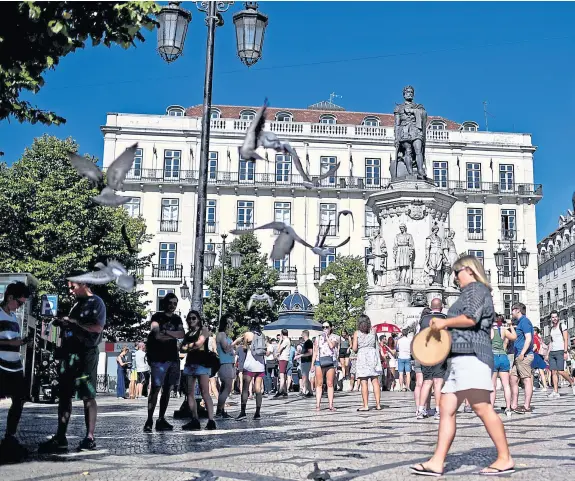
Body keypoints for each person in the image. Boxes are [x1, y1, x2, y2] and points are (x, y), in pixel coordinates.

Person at [410, 255, 514, 476]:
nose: (455, 278)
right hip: (459, 357)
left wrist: (445, 322)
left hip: (473, 355)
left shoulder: (477, 290)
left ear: (469, 270)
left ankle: (505, 457)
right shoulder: (467, 293)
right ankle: (437, 461)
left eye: (457, 273)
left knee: (482, 407)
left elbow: (471, 318)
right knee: (446, 409)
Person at [39, 274, 106, 453]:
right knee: (64, 395)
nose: (69, 291)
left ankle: (90, 437)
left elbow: (97, 328)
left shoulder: (96, 302)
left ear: (83, 284)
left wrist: (73, 323)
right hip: (70, 354)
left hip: (86, 354)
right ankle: (61, 437)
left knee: (88, 396)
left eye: (72, 287)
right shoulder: (76, 304)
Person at [143, 293, 185, 433]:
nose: (173, 306)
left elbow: (181, 334)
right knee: (155, 389)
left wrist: (166, 332)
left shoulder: (177, 318)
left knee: (168, 389)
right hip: (158, 358)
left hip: (173, 358)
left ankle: (161, 419)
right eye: (170, 303)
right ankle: (149, 419)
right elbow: (156, 335)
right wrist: (171, 334)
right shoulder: (156, 317)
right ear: (165, 303)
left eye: (175, 303)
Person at [0, 281, 32, 460]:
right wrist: (9, 343)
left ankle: (9, 436)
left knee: (19, 399)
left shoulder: (14, 318)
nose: (20, 307)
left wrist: (19, 342)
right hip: (1, 364)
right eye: (19, 303)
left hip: (14, 365)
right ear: (10, 297)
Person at [180, 310, 216, 431]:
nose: (191, 320)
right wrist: (191, 346)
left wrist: (189, 346)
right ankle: (195, 419)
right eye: (189, 318)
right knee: (189, 393)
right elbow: (182, 349)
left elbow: (199, 343)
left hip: (202, 364)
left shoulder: (203, 330)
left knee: (205, 392)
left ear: (198, 319)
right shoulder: (188, 333)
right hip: (190, 364)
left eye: (194, 318)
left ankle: (211, 420)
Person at [417, 300, 447, 420]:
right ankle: (439, 411)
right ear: (442, 307)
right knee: (438, 383)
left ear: (430, 307)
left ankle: (420, 410)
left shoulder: (423, 319)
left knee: (427, 382)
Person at [232, 319, 266, 420]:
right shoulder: (262, 335)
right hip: (260, 365)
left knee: (246, 388)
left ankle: (243, 412)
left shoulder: (248, 334)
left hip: (250, 365)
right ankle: (257, 413)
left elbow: (244, 348)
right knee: (258, 389)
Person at [352, 315, 382, 411]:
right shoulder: (373, 331)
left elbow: (354, 348)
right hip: (372, 355)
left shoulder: (357, 333)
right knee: (375, 380)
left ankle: (365, 405)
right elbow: (376, 344)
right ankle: (378, 404)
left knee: (364, 381)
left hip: (362, 356)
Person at [509, 303, 534, 414]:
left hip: (524, 355)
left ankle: (527, 406)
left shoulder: (525, 321)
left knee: (526, 379)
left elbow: (528, 339)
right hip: (517, 356)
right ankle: (514, 405)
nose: (511, 312)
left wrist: (522, 353)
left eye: (512, 310)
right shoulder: (519, 323)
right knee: (513, 378)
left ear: (518, 310)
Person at [491, 315, 516, 417]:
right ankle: (508, 409)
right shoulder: (504, 329)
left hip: (493, 357)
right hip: (503, 357)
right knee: (506, 385)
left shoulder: (489, 330)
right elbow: (514, 337)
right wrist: (511, 326)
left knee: (492, 386)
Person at [311, 321, 339, 412]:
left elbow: (331, 346)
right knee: (319, 384)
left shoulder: (334, 337)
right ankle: (318, 405)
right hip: (319, 361)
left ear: (331, 328)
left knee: (330, 384)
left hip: (330, 361)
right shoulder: (318, 338)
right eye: (323, 327)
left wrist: (327, 336)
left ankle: (331, 404)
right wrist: (312, 364)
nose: (325, 329)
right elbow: (315, 352)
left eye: (327, 327)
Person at [546, 310, 575, 398]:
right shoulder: (551, 329)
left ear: (558, 317)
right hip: (552, 352)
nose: (554, 319)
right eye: (552, 317)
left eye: (555, 317)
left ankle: (572, 382)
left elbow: (566, 339)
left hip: (560, 351)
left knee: (560, 371)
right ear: (551, 318)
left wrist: (565, 352)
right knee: (553, 372)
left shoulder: (562, 326)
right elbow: (551, 341)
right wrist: (547, 353)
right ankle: (555, 391)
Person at [215, 312, 236, 418]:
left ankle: (221, 410)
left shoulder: (225, 335)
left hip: (229, 363)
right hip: (224, 363)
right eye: (229, 323)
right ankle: (219, 411)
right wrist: (236, 342)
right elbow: (226, 348)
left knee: (224, 388)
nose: (231, 326)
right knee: (227, 388)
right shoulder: (221, 335)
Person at [295, 330, 313, 397]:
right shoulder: (305, 343)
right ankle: (310, 391)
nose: (301, 335)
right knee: (305, 377)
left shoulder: (308, 342)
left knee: (304, 376)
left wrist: (300, 355)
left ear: (304, 334)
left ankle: (304, 391)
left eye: (302, 334)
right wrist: (300, 354)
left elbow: (310, 352)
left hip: (307, 362)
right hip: (304, 361)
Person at [531, 326, 549, 392]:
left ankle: (532, 386)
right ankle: (545, 386)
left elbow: (535, 347)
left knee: (531, 371)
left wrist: (530, 352)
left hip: (535, 355)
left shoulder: (534, 337)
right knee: (541, 372)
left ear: (534, 331)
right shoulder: (539, 338)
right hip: (540, 355)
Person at [275, 329, 291, 397]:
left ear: (281, 334)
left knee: (281, 375)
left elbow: (278, 349)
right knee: (284, 375)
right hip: (285, 359)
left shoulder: (285, 341)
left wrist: (280, 341)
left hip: (283, 359)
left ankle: (280, 390)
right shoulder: (287, 340)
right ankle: (284, 391)